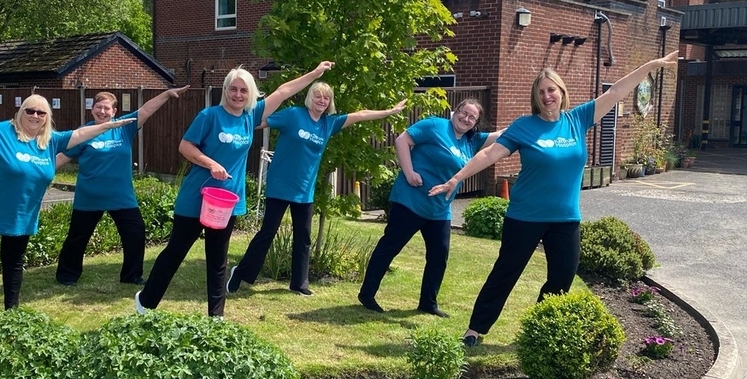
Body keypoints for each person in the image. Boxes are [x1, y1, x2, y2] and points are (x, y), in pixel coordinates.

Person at [429, 51, 679, 346]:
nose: (548, 95)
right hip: (525, 216)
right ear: (536, 97)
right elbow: (488, 153)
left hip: (565, 218)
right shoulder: (524, 126)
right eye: (542, 91)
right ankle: (475, 330)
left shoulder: (577, 119)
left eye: (552, 90)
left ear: (561, 92)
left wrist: (650, 66)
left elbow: (616, 91)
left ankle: (539, 330)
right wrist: (456, 178)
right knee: (505, 273)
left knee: (562, 278)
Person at [136, 61, 334, 317]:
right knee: (175, 252)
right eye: (233, 89)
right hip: (197, 197)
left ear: (250, 94)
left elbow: (284, 91)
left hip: (227, 201)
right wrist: (211, 164)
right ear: (226, 90)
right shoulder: (209, 116)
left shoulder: (250, 118)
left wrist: (315, 73)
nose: (238, 95)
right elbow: (185, 147)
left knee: (218, 260)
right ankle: (146, 302)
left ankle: (216, 318)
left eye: (243, 90)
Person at [0, 95, 136, 320]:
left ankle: (11, 314)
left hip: (22, 212)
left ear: (46, 117)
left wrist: (108, 126)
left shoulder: (50, 141)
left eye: (40, 113)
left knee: (13, 261)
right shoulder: (2, 131)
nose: (35, 116)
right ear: (21, 111)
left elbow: (80, 134)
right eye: (30, 111)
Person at [226, 82, 407, 296]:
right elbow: (260, 122)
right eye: (318, 96)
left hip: (304, 190)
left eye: (326, 98)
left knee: (303, 237)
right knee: (268, 233)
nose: (322, 101)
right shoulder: (293, 115)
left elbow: (360, 114)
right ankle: (241, 273)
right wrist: (234, 123)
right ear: (310, 98)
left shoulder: (328, 124)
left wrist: (390, 111)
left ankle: (299, 283)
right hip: (280, 186)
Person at [358, 99, 501, 314]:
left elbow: (505, 134)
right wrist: (409, 172)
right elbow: (402, 140)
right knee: (390, 246)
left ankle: (428, 303)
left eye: (472, 117)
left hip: (440, 208)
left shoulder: (472, 141)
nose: (466, 119)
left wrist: (537, 118)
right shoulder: (434, 125)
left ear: (477, 122)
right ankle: (367, 294)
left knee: (438, 255)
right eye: (463, 113)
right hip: (411, 200)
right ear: (455, 111)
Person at [54, 86, 189, 287]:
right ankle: (67, 275)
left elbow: (146, 110)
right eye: (98, 107)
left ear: (114, 112)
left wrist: (167, 94)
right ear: (92, 110)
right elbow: (62, 158)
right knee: (77, 236)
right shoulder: (85, 133)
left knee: (135, 232)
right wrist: (36, 173)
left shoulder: (123, 128)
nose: (102, 111)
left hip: (121, 196)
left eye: (106, 108)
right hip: (89, 197)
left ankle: (131, 275)